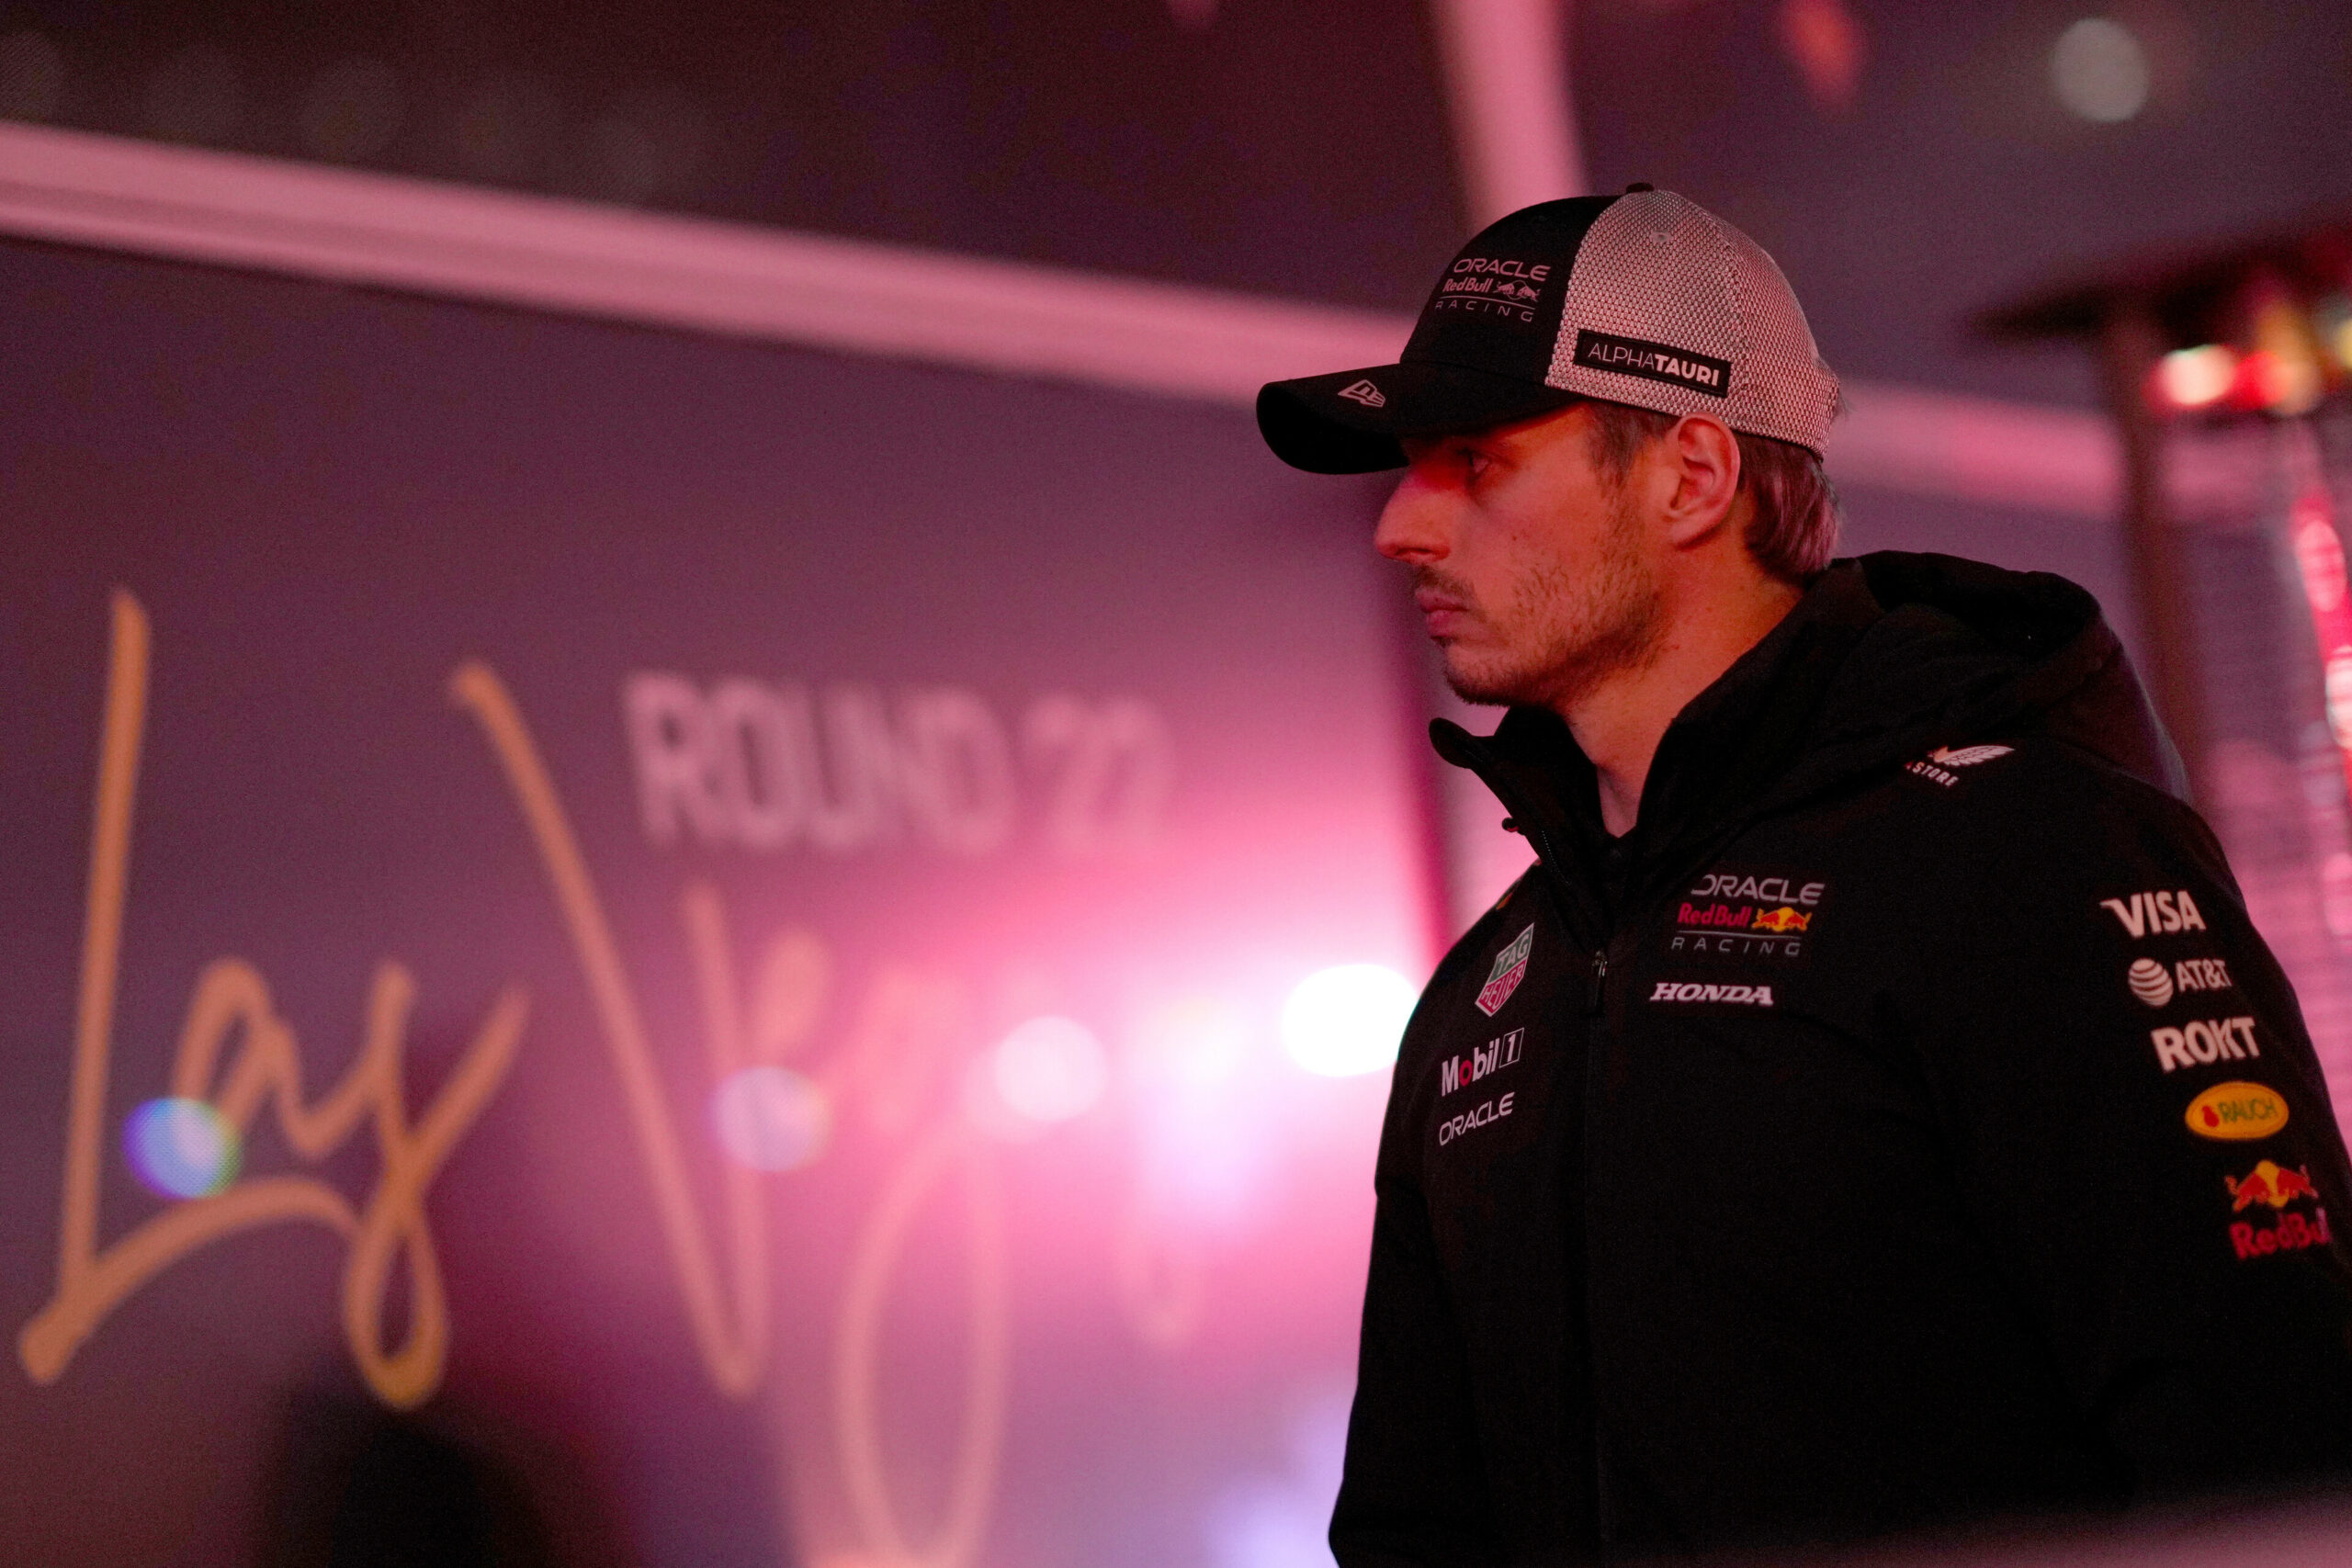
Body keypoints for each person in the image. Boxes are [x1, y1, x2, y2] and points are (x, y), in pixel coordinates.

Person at [1256, 187, 2352, 1563]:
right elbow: (1413, 1532)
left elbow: (2277, 1452)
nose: (1399, 527)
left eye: (1476, 463)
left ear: (1692, 476)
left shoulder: (2022, 856)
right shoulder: (1491, 993)